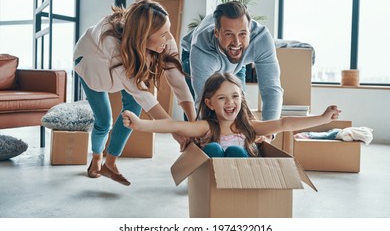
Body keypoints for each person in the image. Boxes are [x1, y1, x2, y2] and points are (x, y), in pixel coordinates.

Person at [73, 0, 196, 186]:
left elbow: (178, 81)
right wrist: (175, 130)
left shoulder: (164, 42)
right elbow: (143, 95)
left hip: (126, 68)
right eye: (163, 34)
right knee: (104, 122)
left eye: (168, 30)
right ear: (144, 37)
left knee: (133, 112)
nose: (170, 38)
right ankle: (97, 156)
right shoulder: (111, 42)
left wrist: (192, 124)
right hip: (92, 68)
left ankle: (111, 164)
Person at [122, 72, 341, 158]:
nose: (230, 103)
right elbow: (175, 126)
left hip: (241, 180)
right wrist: (141, 124)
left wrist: (322, 119)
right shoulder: (206, 126)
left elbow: (284, 123)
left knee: (236, 149)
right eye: (222, 98)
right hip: (212, 181)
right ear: (209, 102)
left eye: (235, 96)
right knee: (214, 148)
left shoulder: (250, 127)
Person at [181, 1, 283, 127]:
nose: (236, 42)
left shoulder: (261, 40)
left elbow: (271, 89)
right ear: (217, 33)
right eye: (229, 34)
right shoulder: (202, 47)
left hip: (236, 63)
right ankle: (191, 143)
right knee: (195, 112)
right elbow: (202, 100)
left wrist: (268, 133)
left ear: (250, 32)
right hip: (193, 55)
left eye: (242, 34)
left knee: (239, 106)